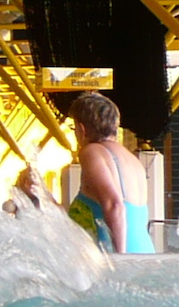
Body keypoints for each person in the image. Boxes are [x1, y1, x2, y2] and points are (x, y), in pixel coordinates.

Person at [65, 93, 155, 254]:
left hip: (117, 254)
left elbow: (114, 204)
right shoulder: (131, 159)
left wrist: (120, 259)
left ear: (81, 129)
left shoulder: (92, 152)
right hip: (144, 252)